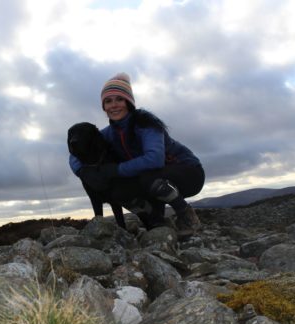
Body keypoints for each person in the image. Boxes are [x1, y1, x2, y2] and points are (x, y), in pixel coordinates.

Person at [69, 72, 205, 235]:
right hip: (155, 179)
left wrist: (116, 169)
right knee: (119, 191)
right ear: (104, 107)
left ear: (129, 102)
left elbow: (154, 160)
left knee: (146, 178)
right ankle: (157, 222)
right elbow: (75, 153)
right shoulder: (110, 133)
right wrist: (83, 172)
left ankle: (186, 215)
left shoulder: (146, 124)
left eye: (119, 99)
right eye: (108, 101)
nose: (114, 105)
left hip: (189, 173)